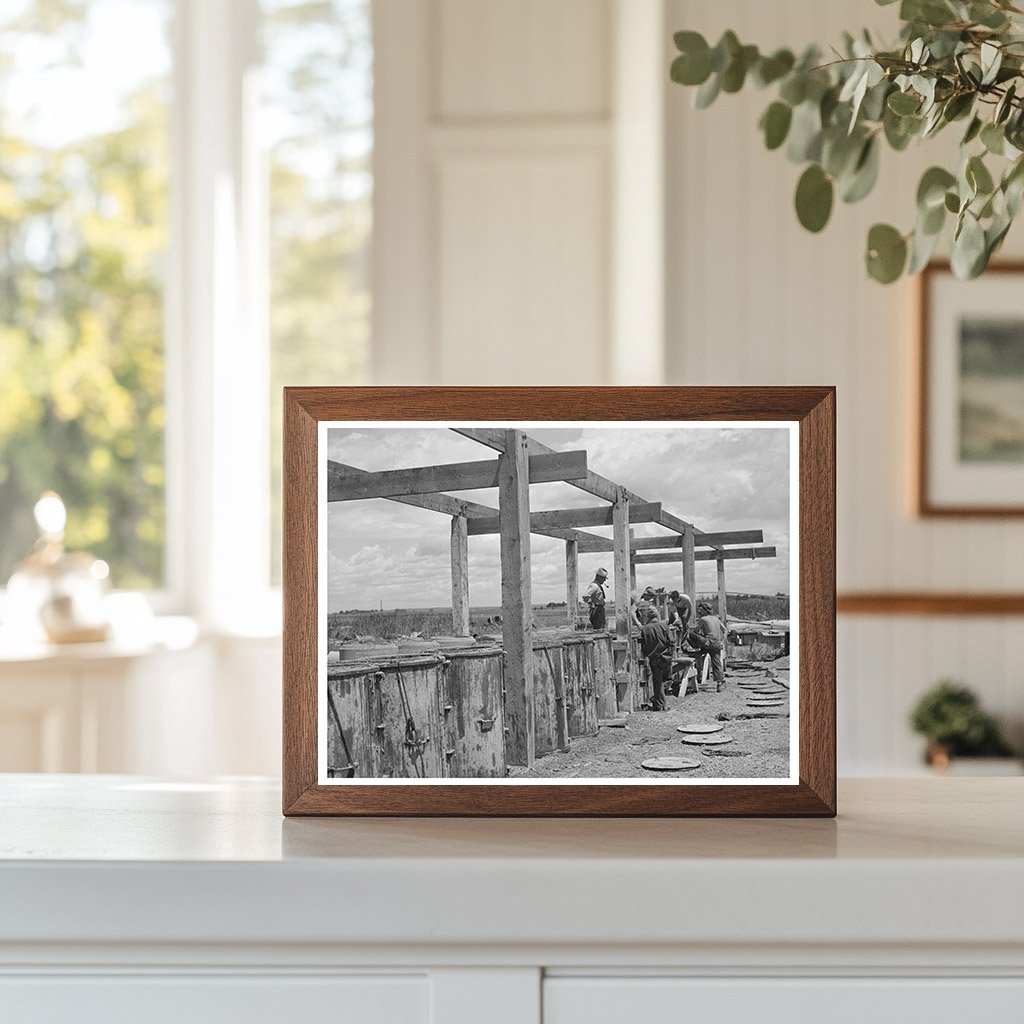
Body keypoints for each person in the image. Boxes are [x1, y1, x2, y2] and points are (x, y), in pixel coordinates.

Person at [639, 605, 673, 711]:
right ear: (657, 615)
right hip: (665, 656)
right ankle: (661, 703)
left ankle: (659, 702)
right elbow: (671, 641)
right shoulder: (664, 626)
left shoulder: (645, 629)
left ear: (648, 617)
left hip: (653, 658)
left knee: (657, 681)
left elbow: (644, 647)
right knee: (668, 679)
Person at [689, 601, 726, 691]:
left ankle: (693, 650)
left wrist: (699, 638)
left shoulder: (703, 619)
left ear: (705, 610)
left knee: (690, 634)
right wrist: (722, 641)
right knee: (716, 662)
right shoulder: (716, 619)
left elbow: (695, 630)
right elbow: (725, 630)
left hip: (708, 643)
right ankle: (720, 682)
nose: (699, 610)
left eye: (701, 609)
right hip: (716, 644)